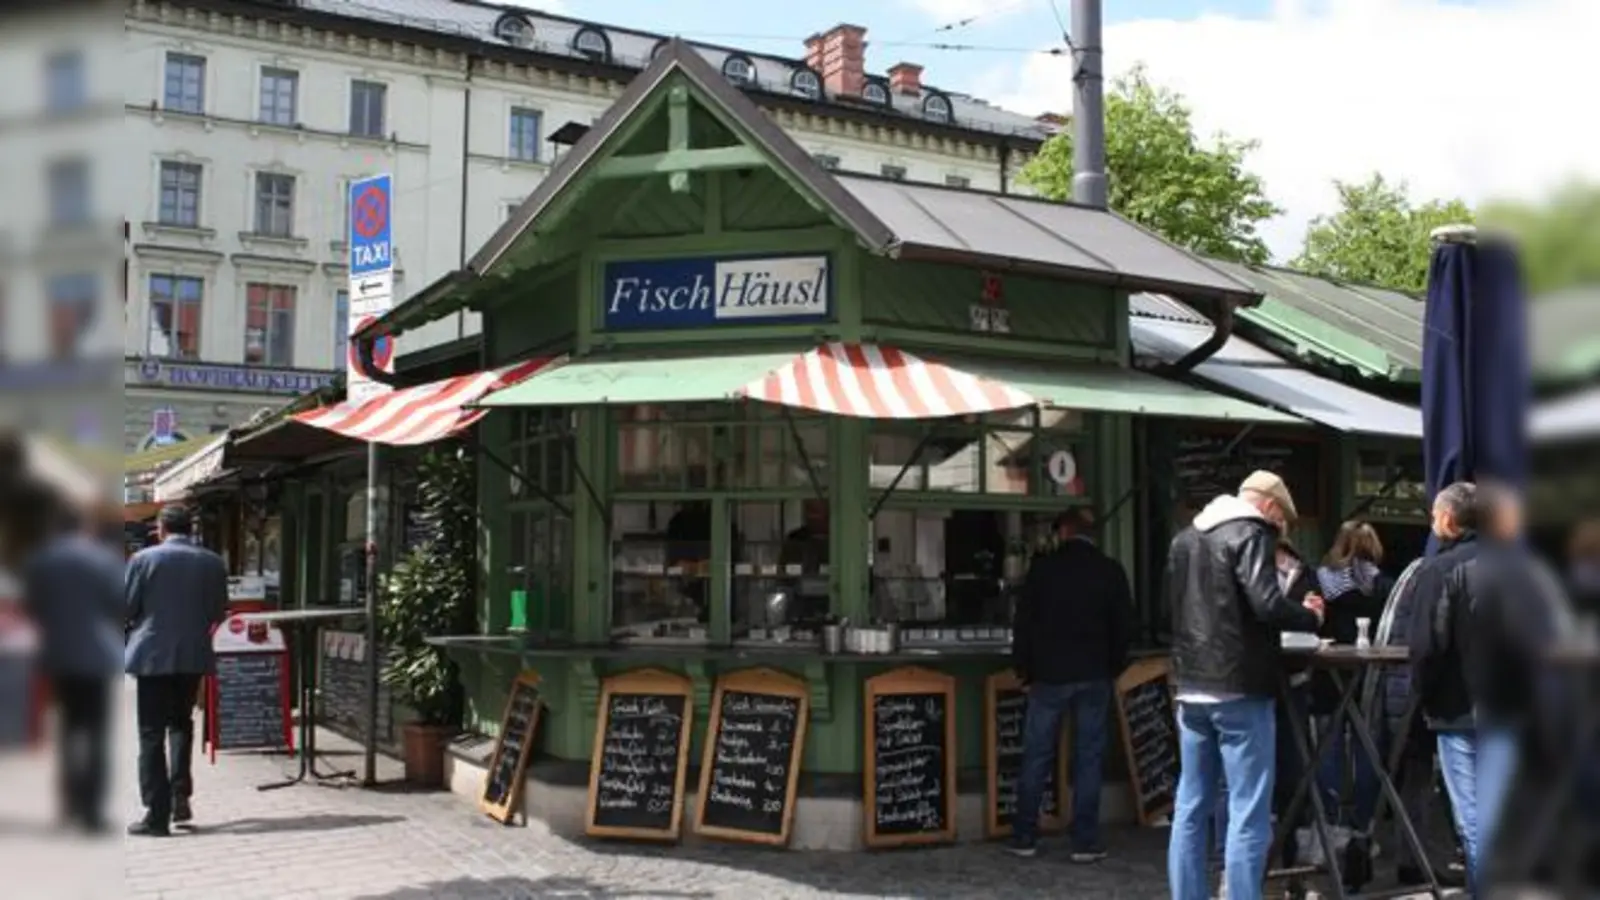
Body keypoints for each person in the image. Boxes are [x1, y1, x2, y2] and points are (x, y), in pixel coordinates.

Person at [1166, 471, 1324, 900]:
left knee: (1191, 807)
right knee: (1248, 809)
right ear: (1270, 507)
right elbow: (1267, 603)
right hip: (1240, 684)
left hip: (1191, 683)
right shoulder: (1252, 533)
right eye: (1280, 521)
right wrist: (1310, 617)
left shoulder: (1184, 539)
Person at [1007, 508, 1131, 863]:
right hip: (1094, 675)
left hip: (1049, 676)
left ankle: (1024, 835)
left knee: (1037, 755)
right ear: (1092, 535)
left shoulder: (1043, 570)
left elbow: (1024, 624)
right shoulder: (1110, 571)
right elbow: (1125, 627)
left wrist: (1024, 670)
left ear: (1062, 532)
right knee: (1088, 758)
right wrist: (1113, 667)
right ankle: (1085, 840)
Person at [18, 484, 124, 833]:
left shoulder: (40, 560)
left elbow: (31, 606)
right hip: (97, 656)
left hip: (58, 655)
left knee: (67, 731)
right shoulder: (103, 558)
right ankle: (92, 810)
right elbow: (117, 604)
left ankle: (69, 805)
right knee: (95, 733)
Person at [125, 503, 228, 836]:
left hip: (152, 655)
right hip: (192, 654)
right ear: (191, 527)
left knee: (151, 733)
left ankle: (156, 814)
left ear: (161, 528)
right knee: (181, 724)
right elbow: (217, 610)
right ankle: (180, 796)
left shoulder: (143, 560)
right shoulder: (212, 562)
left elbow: (127, 606)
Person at [1404, 481, 1484, 890]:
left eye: (1434, 515)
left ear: (1448, 520)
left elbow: (1426, 646)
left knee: (1472, 819)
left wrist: (1420, 696)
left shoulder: (1440, 569)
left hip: (1459, 708)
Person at [1310, 520, 1395, 873]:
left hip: (1327, 677)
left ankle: (1329, 826)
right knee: (1368, 755)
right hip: (1369, 679)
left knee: (1327, 752)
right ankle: (1363, 829)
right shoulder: (1383, 586)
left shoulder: (1319, 582)